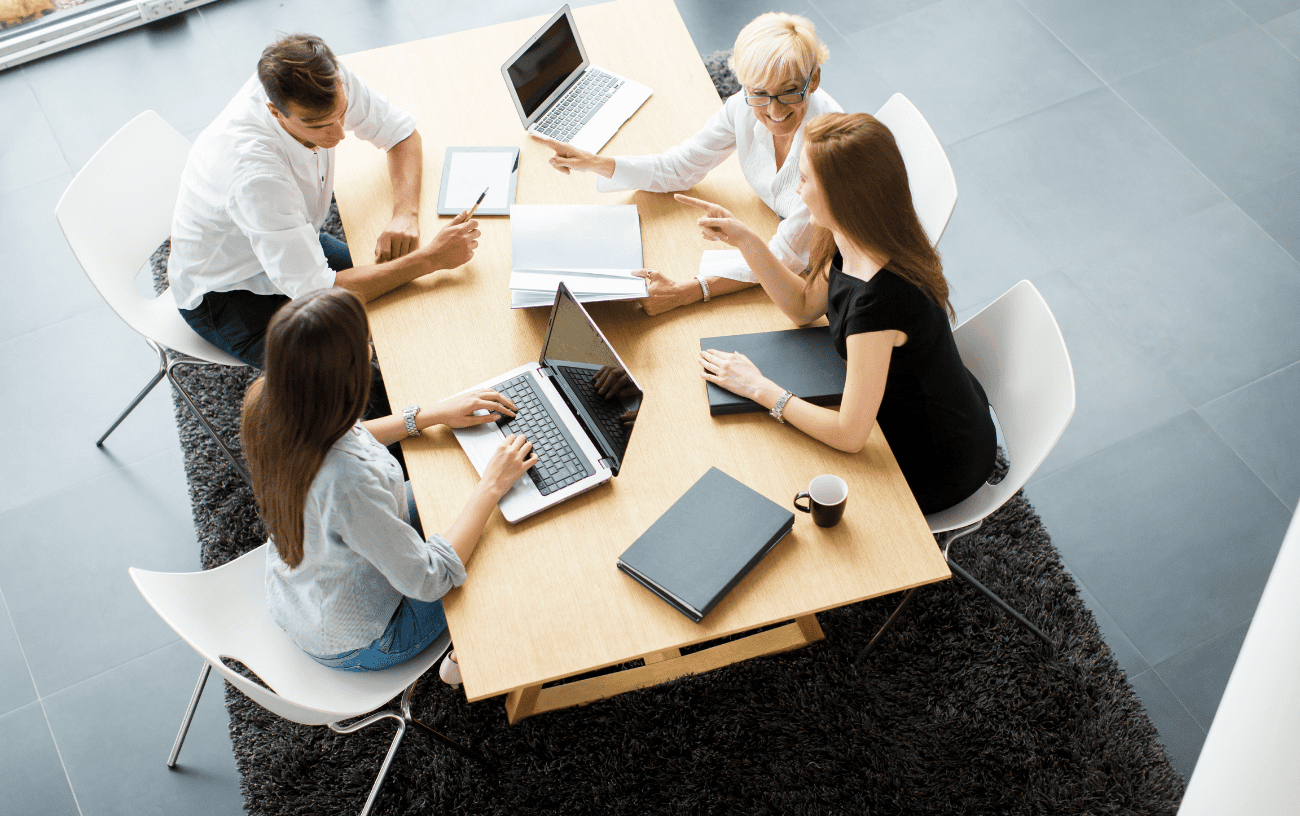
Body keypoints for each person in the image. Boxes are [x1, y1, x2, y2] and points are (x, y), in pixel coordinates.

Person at [687, 113, 996, 515]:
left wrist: (759, 389)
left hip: (933, 460)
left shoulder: (879, 302)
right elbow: (803, 307)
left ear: (840, 194)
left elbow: (851, 435)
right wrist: (745, 239)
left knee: (774, 471)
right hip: (911, 404)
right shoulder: (849, 234)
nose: (796, 190)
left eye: (804, 179)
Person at [241, 287, 536, 674]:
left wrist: (428, 415)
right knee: (507, 541)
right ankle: (468, 658)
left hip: (301, 596)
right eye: (366, 345)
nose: (371, 351)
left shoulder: (270, 399)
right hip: (368, 640)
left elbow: (346, 436)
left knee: (451, 491)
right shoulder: (350, 483)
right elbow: (431, 579)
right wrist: (493, 485)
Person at [168, 33, 479, 370]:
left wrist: (405, 213)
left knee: (408, 295)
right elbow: (316, 292)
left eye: (342, 114)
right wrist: (429, 259)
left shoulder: (327, 79)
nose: (339, 135)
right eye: (318, 125)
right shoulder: (255, 176)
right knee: (355, 385)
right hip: (226, 294)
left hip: (293, 239)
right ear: (275, 111)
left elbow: (400, 132)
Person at [531, 12, 840, 315]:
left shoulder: (827, 154)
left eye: (789, 91)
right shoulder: (743, 106)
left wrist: (686, 292)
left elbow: (785, 258)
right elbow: (680, 167)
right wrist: (597, 162)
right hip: (773, 228)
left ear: (813, 80)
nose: (773, 110)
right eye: (759, 92)